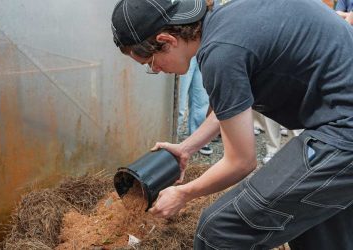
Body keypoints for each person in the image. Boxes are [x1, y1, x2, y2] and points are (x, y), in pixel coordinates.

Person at [111, 0, 353, 249]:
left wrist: (184, 193)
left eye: (150, 63)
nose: (156, 69)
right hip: (337, 120)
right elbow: (232, 105)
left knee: (219, 231)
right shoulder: (228, 21)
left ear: (167, 40)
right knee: (318, 228)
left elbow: (242, 162)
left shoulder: (220, 53)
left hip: (344, 129)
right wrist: (187, 148)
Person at [178, 56, 213, 155]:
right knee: (179, 100)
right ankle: (172, 137)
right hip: (183, 47)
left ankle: (198, 138)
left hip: (202, 48)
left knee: (202, 99)